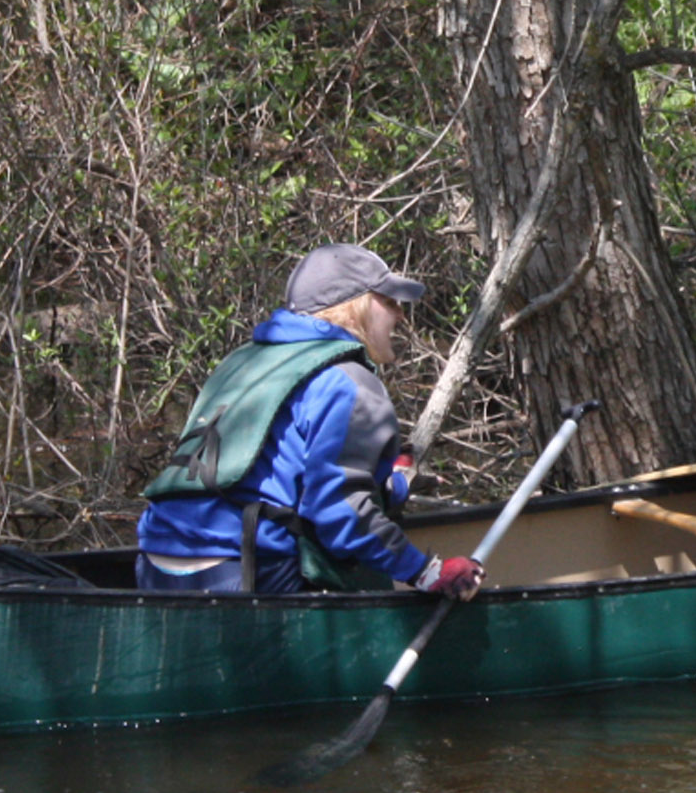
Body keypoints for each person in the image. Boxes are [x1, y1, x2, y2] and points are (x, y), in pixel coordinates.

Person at [135, 243, 483, 599]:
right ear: (355, 307)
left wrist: (389, 486)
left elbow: (267, 474)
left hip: (155, 562)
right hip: (245, 571)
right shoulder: (349, 381)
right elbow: (337, 513)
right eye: (390, 302)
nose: (401, 316)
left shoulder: (243, 362)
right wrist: (425, 571)